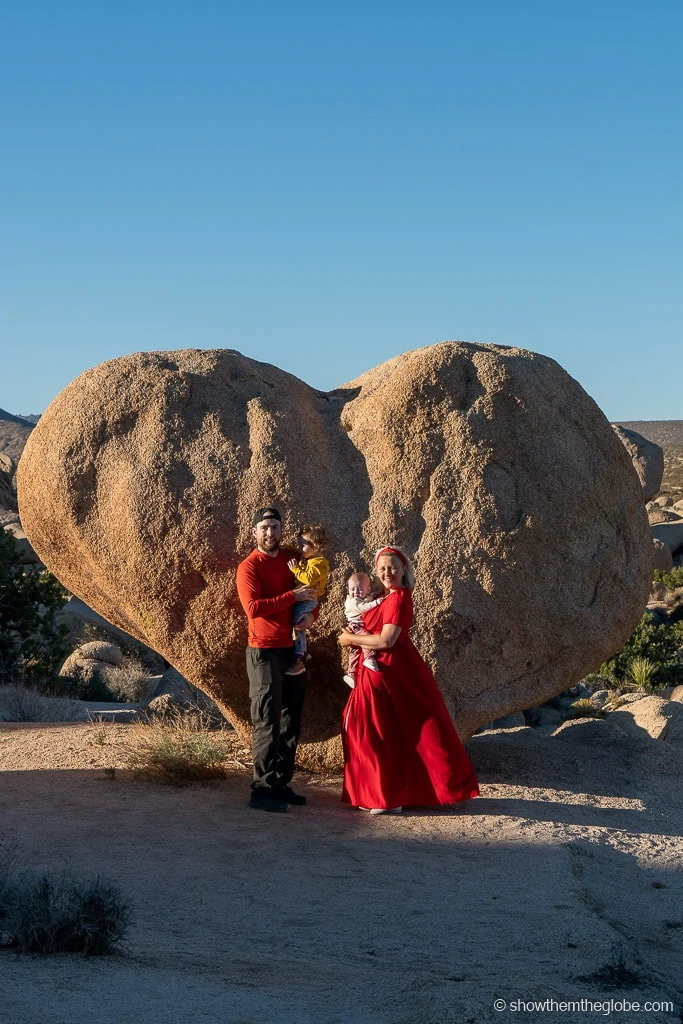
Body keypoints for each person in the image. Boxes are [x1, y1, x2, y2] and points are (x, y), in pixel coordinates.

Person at [338, 545, 480, 815]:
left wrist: (349, 639)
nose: (387, 572)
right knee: (381, 733)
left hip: (391, 671)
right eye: (382, 569)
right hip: (378, 672)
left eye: (392, 567)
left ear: (404, 569)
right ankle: (382, 793)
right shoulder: (383, 596)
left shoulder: (400, 598)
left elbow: (386, 640)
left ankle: (387, 797)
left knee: (380, 733)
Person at [236, 507, 316, 813]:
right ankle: (262, 790)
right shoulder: (249, 567)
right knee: (267, 720)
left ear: (282, 530)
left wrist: (310, 615)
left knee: (289, 720)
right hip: (263, 651)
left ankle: (281, 784)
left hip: (292, 649)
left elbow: (310, 593)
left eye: (275, 527)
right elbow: (253, 608)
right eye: (264, 528)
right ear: (254, 532)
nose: (270, 533)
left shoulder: (291, 560)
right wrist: (290, 598)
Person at [285, 524, 330, 677]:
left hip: (308, 600)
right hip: (304, 598)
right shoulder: (309, 559)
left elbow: (309, 578)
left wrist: (295, 569)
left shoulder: (319, 563)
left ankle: (300, 653)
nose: (299, 548)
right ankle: (301, 651)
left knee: (297, 623)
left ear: (316, 547)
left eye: (303, 545)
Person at [342, 571, 385, 688]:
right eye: (352, 589)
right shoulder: (353, 601)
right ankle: (369, 657)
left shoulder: (364, 597)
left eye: (360, 589)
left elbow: (368, 599)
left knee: (355, 652)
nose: (355, 592)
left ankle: (352, 674)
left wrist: (375, 595)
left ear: (368, 590)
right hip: (356, 626)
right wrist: (377, 602)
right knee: (365, 638)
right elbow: (363, 608)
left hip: (357, 625)